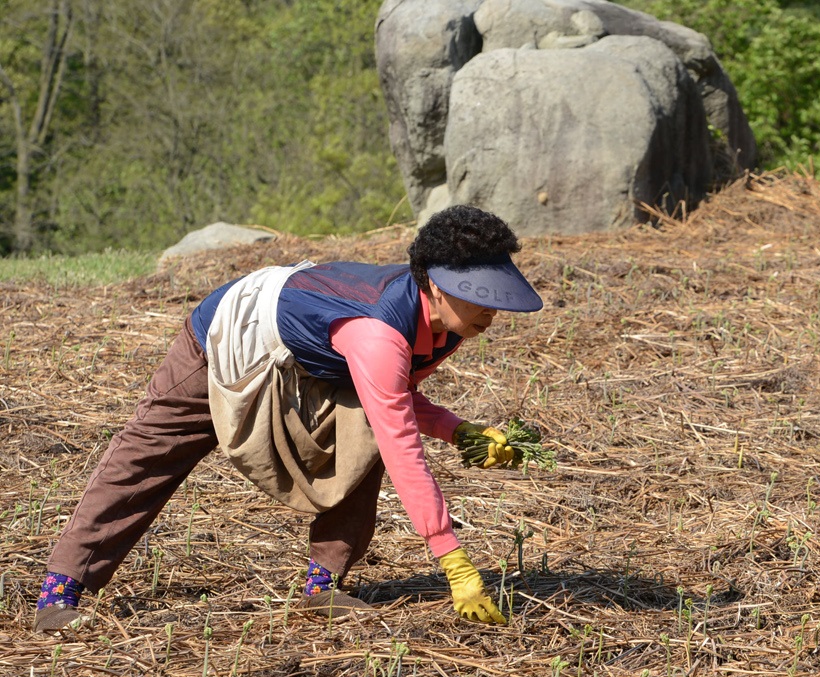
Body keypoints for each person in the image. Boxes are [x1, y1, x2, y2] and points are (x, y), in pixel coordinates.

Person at [33, 204, 541, 632]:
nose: (490, 310)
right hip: (231, 333)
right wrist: (451, 557)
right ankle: (60, 592)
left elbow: (395, 399)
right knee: (151, 453)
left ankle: (323, 588)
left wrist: (460, 431)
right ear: (431, 283)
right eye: (476, 292)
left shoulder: (446, 328)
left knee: (365, 440)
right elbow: (400, 436)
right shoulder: (378, 333)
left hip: (308, 360)